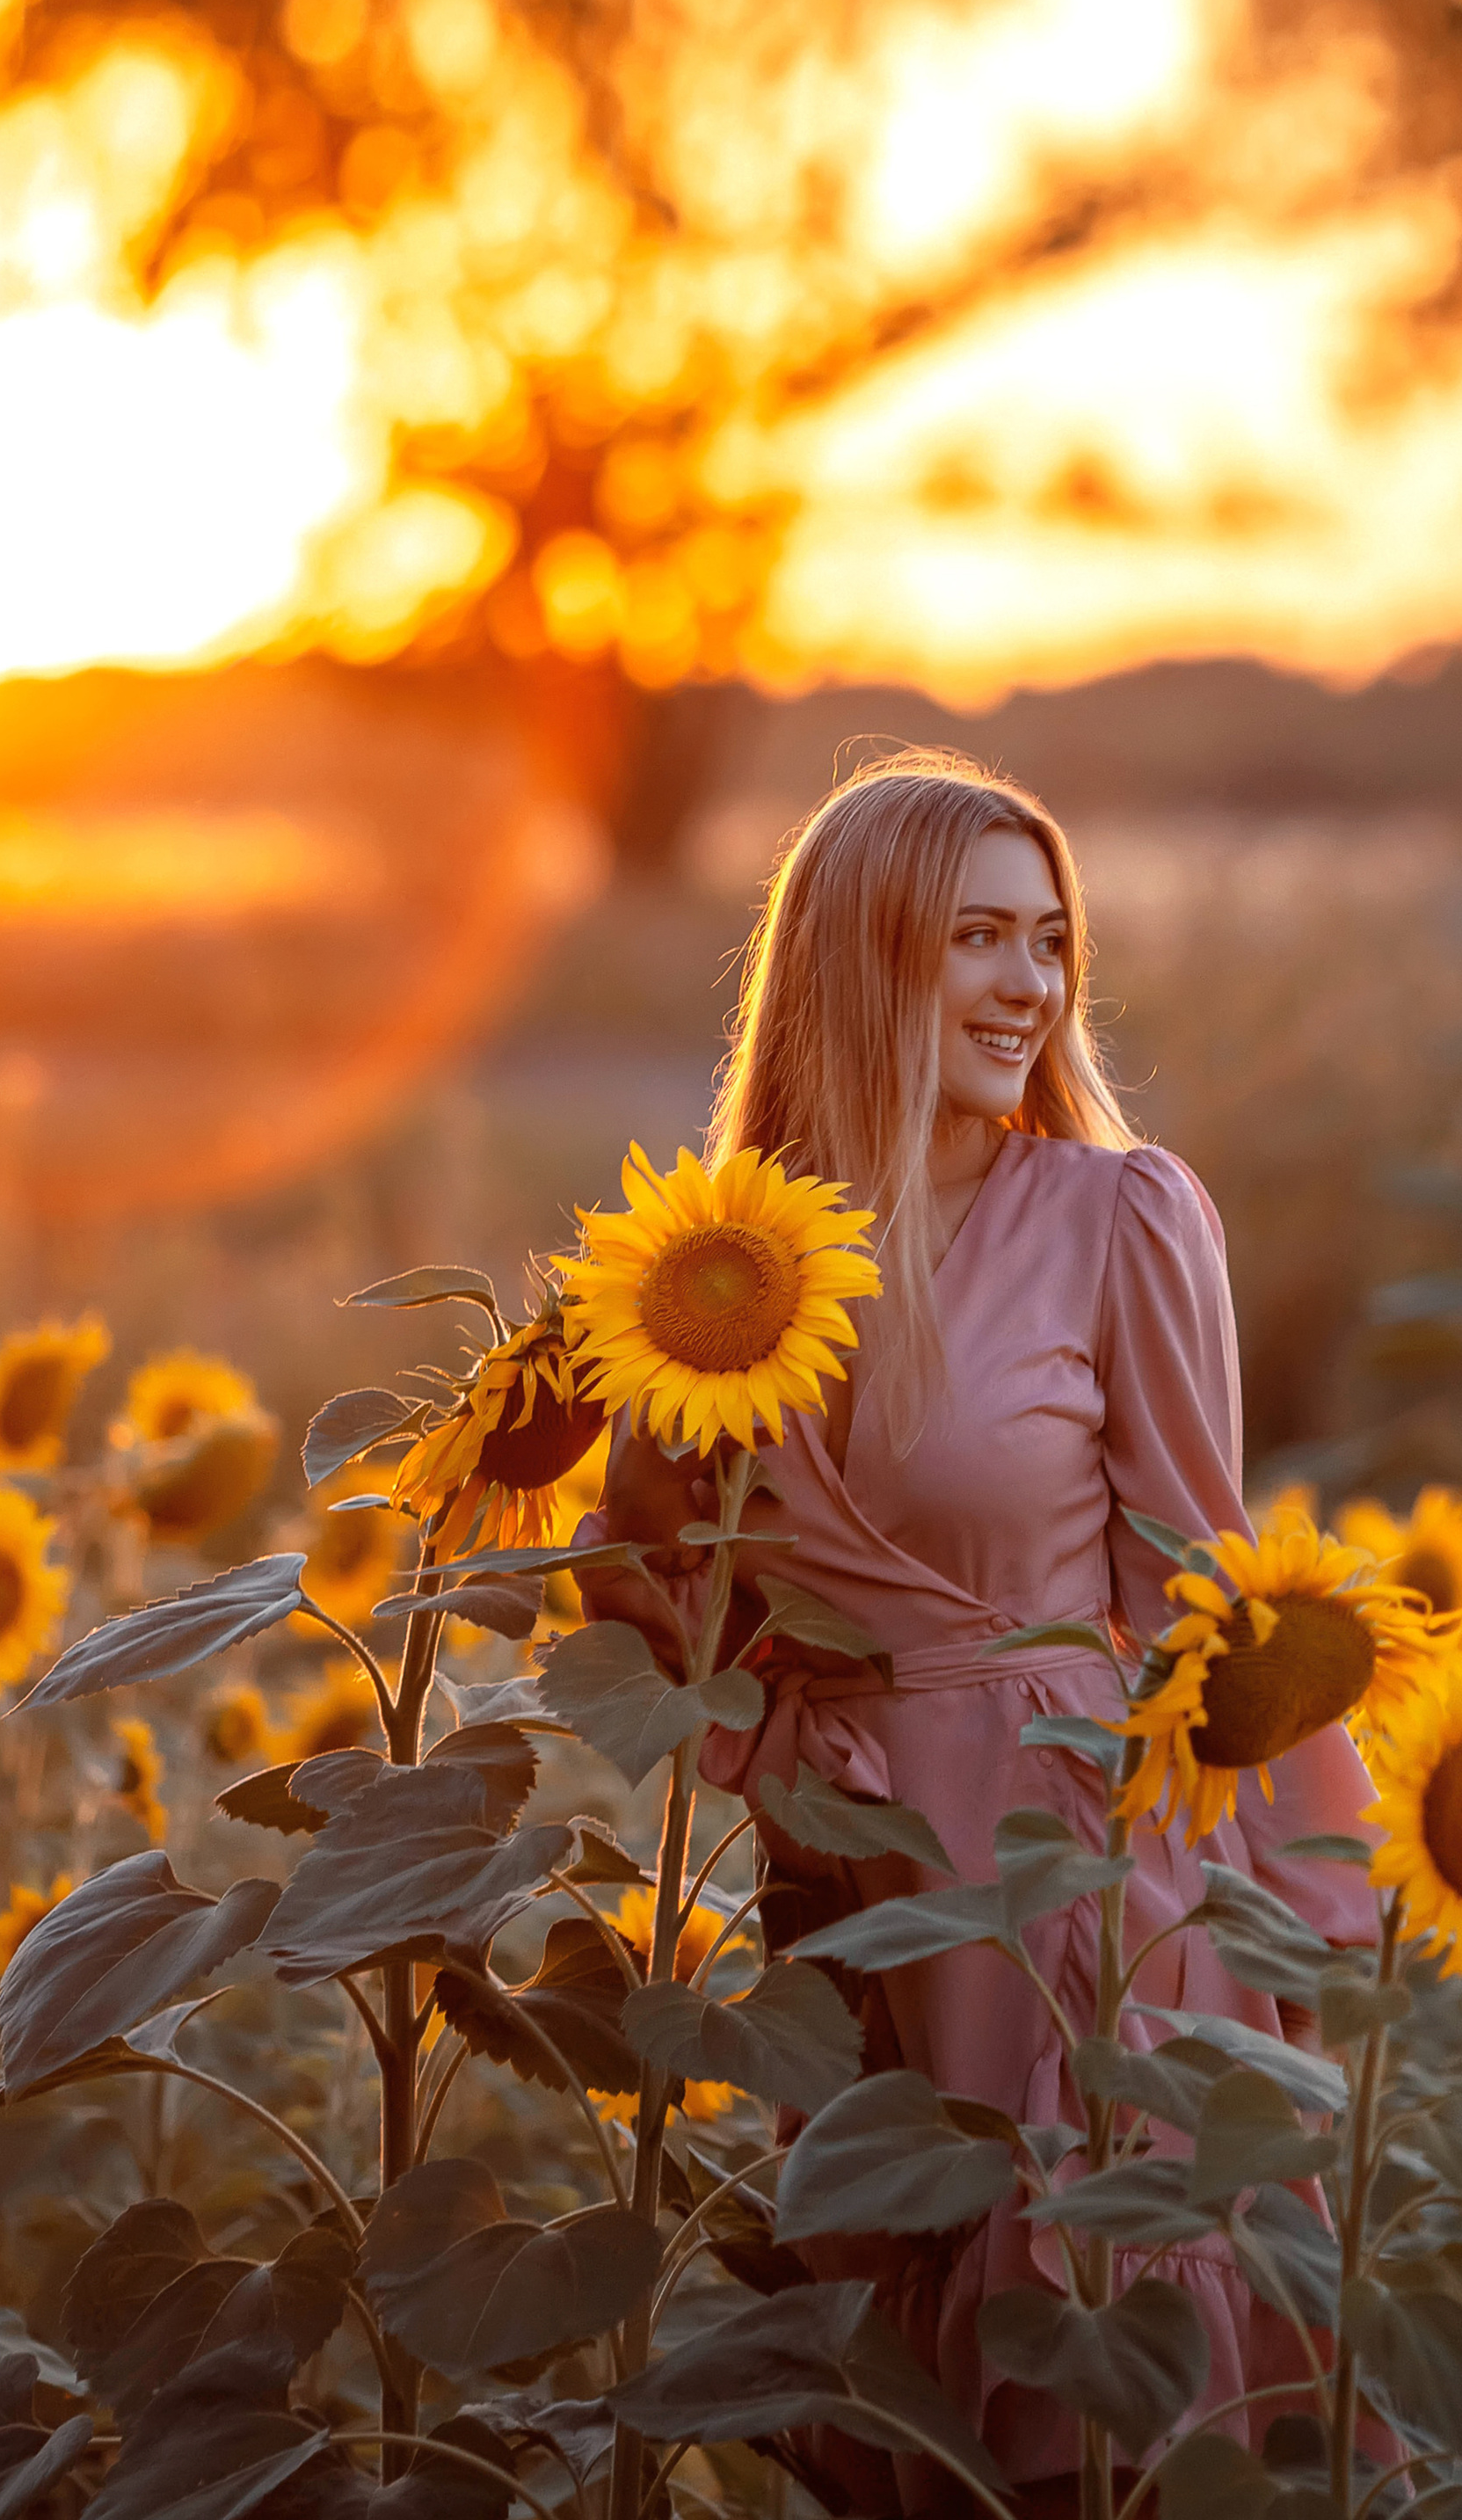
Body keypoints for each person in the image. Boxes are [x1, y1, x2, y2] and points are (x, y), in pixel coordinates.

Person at [584, 750, 1379, 2508]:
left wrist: (1305, 1915)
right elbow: (633, 1582)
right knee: (891, 2399)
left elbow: (1206, 1585)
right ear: (860, 961)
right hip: (853, 1900)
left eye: (1048, 943)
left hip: (1078, 1886)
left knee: (1097, 2376)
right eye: (977, 940)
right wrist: (763, 1735)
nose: (1030, 988)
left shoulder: (1112, 1217)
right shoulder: (723, 1272)